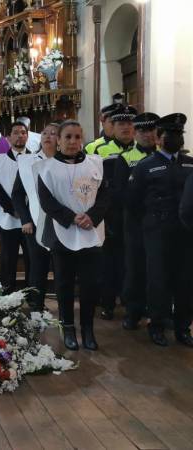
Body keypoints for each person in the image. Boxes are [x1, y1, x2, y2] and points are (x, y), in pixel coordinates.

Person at [37, 120, 108, 351]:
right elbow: (47, 202)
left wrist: (91, 216)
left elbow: (106, 196)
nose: (73, 141)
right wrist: (71, 217)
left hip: (91, 231)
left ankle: (87, 329)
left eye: (77, 137)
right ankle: (68, 328)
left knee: (90, 283)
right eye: (67, 137)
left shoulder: (96, 163)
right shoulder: (46, 168)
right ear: (58, 139)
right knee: (64, 283)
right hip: (62, 232)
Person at [127, 113, 193, 347]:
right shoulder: (146, 166)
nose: (175, 139)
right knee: (158, 280)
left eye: (179, 135)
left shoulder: (190, 164)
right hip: (157, 231)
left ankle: (183, 328)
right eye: (170, 135)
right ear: (158, 138)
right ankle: (156, 325)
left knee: (185, 281)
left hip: (186, 233)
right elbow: (133, 203)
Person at [94, 105, 137, 320]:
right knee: (108, 262)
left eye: (130, 124)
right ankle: (108, 303)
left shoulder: (143, 151)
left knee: (132, 261)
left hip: (135, 215)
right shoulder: (99, 150)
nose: (126, 128)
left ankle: (131, 303)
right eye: (121, 124)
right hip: (109, 214)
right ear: (112, 127)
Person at [11, 122, 59, 310]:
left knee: (61, 267)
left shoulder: (66, 161)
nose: (47, 136)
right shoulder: (27, 161)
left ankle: (63, 307)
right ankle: (36, 306)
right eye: (44, 132)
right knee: (38, 266)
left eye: (53, 133)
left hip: (61, 223)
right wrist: (25, 219)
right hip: (35, 222)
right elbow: (17, 194)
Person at [120, 112, 159, 330]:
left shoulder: (166, 157)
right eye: (142, 130)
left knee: (159, 270)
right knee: (135, 268)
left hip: (160, 224)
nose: (147, 135)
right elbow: (121, 193)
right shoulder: (126, 158)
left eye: (151, 130)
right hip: (135, 222)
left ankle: (158, 312)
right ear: (136, 133)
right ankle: (133, 311)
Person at [0, 121, 31, 294]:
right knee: (8, 259)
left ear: (27, 136)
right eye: (16, 132)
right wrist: (13, 210)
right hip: (9, 217)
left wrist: (26, 213)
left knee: (32, 258)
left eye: (23, 132)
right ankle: (7, 295)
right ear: (8, 137)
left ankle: (32, 295)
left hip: (31, 218)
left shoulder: (36, 159)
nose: (20, 135)